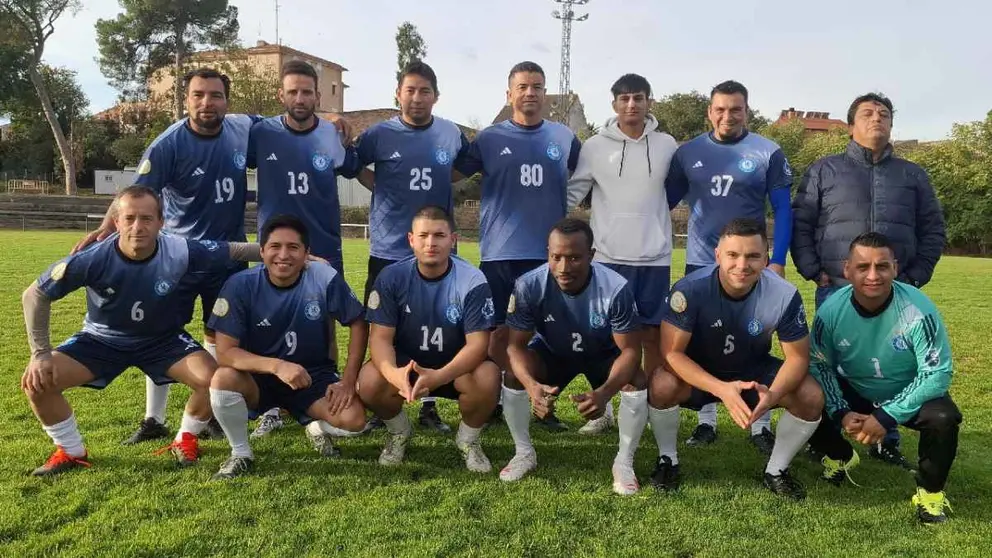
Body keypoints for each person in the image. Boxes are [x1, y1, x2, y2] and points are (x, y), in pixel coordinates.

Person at [21, 186, 263, 476]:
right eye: (130, 218)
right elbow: (34, 294)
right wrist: (40, 354)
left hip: (163, 341)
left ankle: (185, 438)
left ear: (161, 222)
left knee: (213, 380)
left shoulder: (180, 250)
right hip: (101, 340)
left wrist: (283, 254)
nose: (138, 227)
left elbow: (234, 250)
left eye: (147, 218)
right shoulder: (93, 258)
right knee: (38, 382)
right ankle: (71, 450)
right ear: (117, 222)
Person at [792, 92, 946, 467]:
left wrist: (915, 275)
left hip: (896, 293)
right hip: (836, 289)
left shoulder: (912, 175)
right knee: (831, 364)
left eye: (884, 113)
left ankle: (887, 434)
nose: (877, 117)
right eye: (867, 112)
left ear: (892, 124)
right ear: (850, 125)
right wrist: (814, 270)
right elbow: (801, 224)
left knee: (894, 364)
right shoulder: (824, 170)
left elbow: (933, 230)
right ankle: (829, 433)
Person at [647, 218, 823, 500]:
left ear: (767, 258)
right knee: (662, 384)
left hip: (752, 371)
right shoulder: (690, 289)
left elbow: (798, 358)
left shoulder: (784, 294)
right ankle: (668, 459)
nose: (742, 265)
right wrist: (721, 389)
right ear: (718, 255)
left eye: (753, 256)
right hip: (701, 372)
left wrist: (773, 394)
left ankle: (776, 470)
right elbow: (671, 355)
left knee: (810, 395)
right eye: (733, 255)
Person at [665, 80, 794, 453]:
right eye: (720, 109)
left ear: (747, 111)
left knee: (757, 338)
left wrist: (778, 259)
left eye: (735, 109)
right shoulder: (688, 153)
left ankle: (760, 421)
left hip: (750, 265)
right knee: (700, 343)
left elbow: (783, 208)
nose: (727, 116)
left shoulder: (768, 151)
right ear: (709, 112)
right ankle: (706, 420)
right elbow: (663, 201)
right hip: (701, 262)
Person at [456, 61, 581, 430]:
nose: (530, 93)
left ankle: (544, 404)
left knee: (547, 333)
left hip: (549, 256)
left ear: (545, 95)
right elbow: (447, 171)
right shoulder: (490, 138)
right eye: (523, 86)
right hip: (500, 253)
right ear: (509, 94)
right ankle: (495, 399)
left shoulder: (563, 137)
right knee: (497, 333)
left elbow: (593, 174)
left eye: (537, 87)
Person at [806, 232, 960, 523]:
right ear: (847, 269)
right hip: (855, 388)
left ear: (895, 268)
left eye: (882, 266)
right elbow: (819, 365)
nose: (873, 275)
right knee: (804, 392)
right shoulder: (830, 312)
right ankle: (839, 455)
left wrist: (887, 416)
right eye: (863, 267)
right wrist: (840, 411)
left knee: (943, 418)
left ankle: (930, 494)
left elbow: (936, 373)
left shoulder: (918, 310)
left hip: (905, 392)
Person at [353, 61, 471, 433]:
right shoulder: (378, 134)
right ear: (397, 93)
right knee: (387, 330)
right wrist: (383, 186)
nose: (417, 98)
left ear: (436, 96)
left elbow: (462, 168)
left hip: (437, 252)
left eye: (424, 91)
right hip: (389, 250)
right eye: (410, 90)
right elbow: (353, 165)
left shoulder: (451, 134)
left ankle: (430, 404)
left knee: (440, 330)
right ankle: (384, 400)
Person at [245, 60, 360, 437]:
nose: (299, 98)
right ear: (281, 95)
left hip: (323, 244)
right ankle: (272, 405)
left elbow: (354, 163)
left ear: (317, 95)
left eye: (306, 91)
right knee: (270, 321)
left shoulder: (330, 135)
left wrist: (340, 125)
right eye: (292, 91)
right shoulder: (260, 133)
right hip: (276, 248)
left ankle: (327, 395)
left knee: (326, 323)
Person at [206, 215, 369, 479]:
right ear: (262, 251)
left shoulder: (323, 277)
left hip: (312, 375)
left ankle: (317, 427)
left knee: (355, 422)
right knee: (223, 377)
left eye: (293, 247)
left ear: (306, 254)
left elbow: (358, 323)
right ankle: (240, 453)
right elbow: (226, 352)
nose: (284, 255)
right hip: (260, 377)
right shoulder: (240, 284)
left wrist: (348, 381)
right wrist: (276, 366)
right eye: (275, 247)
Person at [566, 73, 677, 436]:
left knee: (650, 338)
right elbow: (574, 193)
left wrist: (653, 224)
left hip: (654, 258)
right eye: (625, 98)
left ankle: (649, 407)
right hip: (609, 258)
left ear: (649, 102)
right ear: (614, 104)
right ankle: (607, 410)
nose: (632, 105)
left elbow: (672, 193)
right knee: (609, 338)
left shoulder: (666, 145)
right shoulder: (595, 146)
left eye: (639, 98)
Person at [500, 218, 645, 494]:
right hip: (554, 353)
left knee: (635, 378)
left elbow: (630, 351)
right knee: (515, 374)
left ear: (591, 255)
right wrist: (532, 387)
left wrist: (604, 394)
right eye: (556, 257)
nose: (564, 267)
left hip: (602, 353)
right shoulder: (528, 285)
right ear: (548, 253)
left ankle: (624, 462)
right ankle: (523, 453)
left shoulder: (615, 288)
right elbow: (514, 347)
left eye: (575, 258)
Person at [359, 206, 500, 471]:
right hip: (408, 366)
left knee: (488, 377)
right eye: (423, 236)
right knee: (369, 381)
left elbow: (478, 345)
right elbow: (379, 339)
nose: (431, 243)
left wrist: (439, 376)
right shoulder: (391, 277)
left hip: (455, 367)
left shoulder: (472, 280)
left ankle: (468, 440)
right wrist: (393, 374)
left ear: (453, 239)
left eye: (439, 235)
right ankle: (399, 431)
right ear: (411, 239)